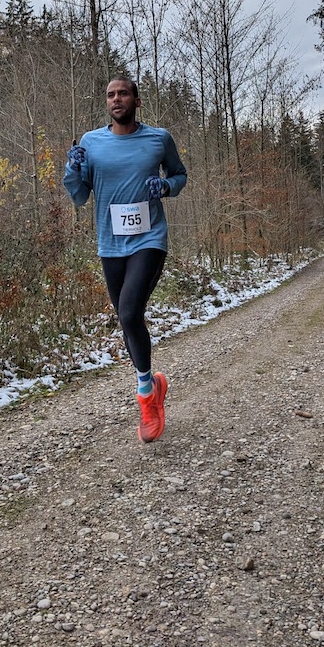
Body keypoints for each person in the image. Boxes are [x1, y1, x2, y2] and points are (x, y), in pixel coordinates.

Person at [63, 77, 187, 443]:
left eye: (123, 93)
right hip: (110, 244)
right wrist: (72, 168)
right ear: (107, 103)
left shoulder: (158, 139)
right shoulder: (91, 143)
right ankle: (155, 385)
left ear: (136, 100)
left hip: (149, 239)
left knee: (130, 312)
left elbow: (179, 175)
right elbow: (79, 197)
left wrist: (165, 187)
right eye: (110, 95)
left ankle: (146, 397)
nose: (116, 99)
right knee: (126, 319)